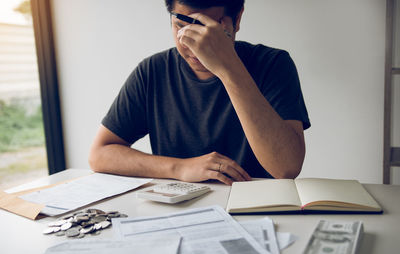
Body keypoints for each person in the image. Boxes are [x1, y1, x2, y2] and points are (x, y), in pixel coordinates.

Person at [89, 0, 310, 185]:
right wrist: (180, 168)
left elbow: (286, 168)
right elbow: (100, 154)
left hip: (256, 211)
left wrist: (228, 68)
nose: (194, 44)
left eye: (208, 29)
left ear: (237, 19)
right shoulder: (152, 72)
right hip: (179, 215)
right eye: (181, 26)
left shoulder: (272, 64)